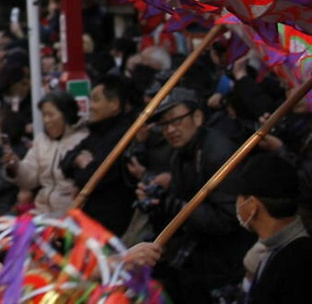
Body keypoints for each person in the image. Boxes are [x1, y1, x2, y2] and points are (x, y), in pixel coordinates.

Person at [140, 87, 255, 304]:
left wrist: (173, 204)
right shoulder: (180, 155)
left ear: (198, 116)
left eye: (176, 121)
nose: (170, 130)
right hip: (194, 260)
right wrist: (157, 201)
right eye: (164, 124)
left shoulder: (218, 152)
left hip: (224, 265)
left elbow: (227, 218)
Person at [60, 75, 135, 236]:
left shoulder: (123, 135)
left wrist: (84, 168)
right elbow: (65, 161)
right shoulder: (96, 132)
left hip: (111, 222)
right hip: (88, 219)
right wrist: (79, 159)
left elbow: (93, 176)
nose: (91, 107)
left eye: (95, 100)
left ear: (114, 104)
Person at [232, 153, 312, 303]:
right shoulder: (268, 253)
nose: (236, 203)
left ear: (252, 206)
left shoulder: (296, 262)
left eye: (240, 196)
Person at [4, 90, 86, 215]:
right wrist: (15, 166)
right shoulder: (41, 140)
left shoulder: (84, 139)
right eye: (44, 115)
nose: (46, 120)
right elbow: (30, 178)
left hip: (72, 213)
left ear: (66, 114)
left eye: (51, 115)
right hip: (42, 212)